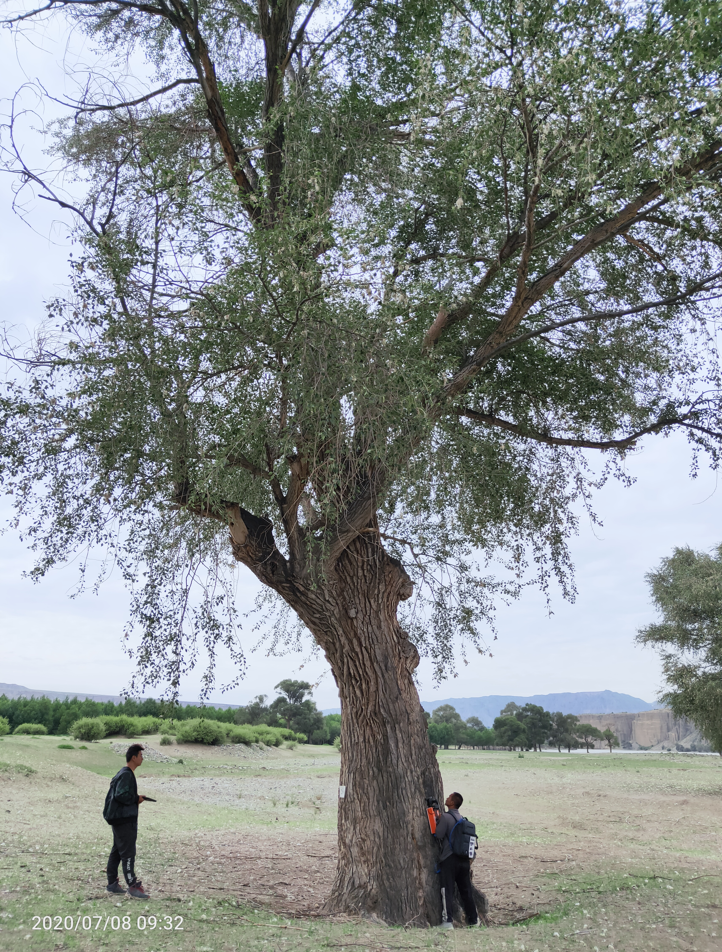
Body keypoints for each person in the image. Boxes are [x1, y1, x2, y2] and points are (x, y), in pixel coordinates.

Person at [104, 743, 150, 899]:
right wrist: (136, 799)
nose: (142, 758)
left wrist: (136, 798)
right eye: (141, 755)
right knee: (128, 853)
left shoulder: (123, 773)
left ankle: (112, 884)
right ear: (134, 757)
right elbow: (120, 795)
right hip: (124, 821)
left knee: (117, 851)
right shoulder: (126, 774)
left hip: (119, 820)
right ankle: (132, 886)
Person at [433, 792, 479, 930]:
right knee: (466, 891)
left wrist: (437, 821)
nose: (447, 798)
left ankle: (447, 922)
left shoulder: (446, 817)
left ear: (452, 803)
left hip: (450, 859)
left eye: (449, 797)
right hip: (464, 860)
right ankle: (474, 920)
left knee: (446, 889)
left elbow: (438, 835)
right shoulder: (463, 819)